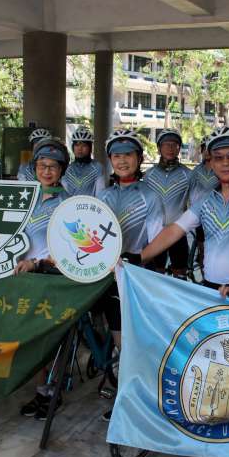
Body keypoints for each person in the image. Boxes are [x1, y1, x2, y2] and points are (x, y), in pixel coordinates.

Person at [142, 126, 229, 457]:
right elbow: (174, 230)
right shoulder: (204, 200)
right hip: (209, 289)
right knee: (210, 362)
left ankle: (228, 435)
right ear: (210, 163)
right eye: (218, 158)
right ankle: (205, 423)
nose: (225, 163)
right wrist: (139, 256)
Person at [98, 129, 164, 422]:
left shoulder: (150, 196)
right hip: (101, 276)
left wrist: (138, 261)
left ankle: (131, 399)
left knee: (126, 342)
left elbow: (156, 241)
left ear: (139, 158)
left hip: (132, 278)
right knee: (112, 334)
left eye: (128, 155)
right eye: (116, 156)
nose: (122, 161)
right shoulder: (104, 195)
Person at [14, 138, 73, 420]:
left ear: (62, 170)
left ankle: (53, 391)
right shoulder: (23, 198)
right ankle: (41, 390)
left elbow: (71, 248)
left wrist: (38, 263)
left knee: (51, 338)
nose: (47, 171)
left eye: (53, 166)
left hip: (52, 276)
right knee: (32, 337)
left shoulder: (69, 203)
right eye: (41, 165)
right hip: (23, 277)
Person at [143, 128, 192, 278]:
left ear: (179, 148)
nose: (170, 148)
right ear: (159, 148)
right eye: (166, 144)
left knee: (180, 274)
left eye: (174, 144)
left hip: (177, 231)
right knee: (156, 274)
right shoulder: (149, 175)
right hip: (155, 231)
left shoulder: (188, 174)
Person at [187, 135, 218, 275]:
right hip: (199, 217)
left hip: (216, 217)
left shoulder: (220, 171)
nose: (207, 152)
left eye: (209, 149)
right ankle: (204, 275)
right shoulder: (194, 172)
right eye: (204, 148)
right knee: (202, 248)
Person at [62, 127, 106, 197]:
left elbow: (100, 194)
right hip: (70, 204)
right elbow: (64, 195)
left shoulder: (97, 167)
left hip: (90, 203)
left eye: (84, 145)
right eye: (77, 145)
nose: (80, 149)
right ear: (73, 147)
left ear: (90, 148)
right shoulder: (68, 169)